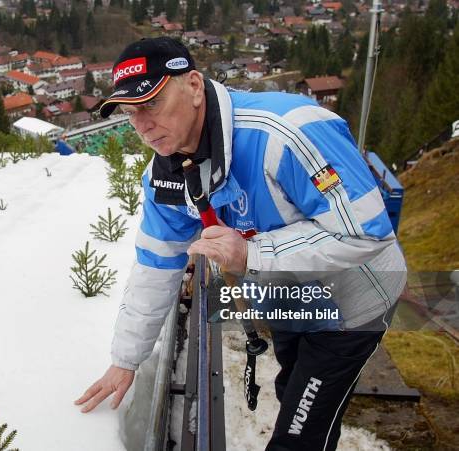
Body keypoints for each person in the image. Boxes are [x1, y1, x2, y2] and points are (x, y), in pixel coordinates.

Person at [74, 37, 407, 450]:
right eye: (130, 113)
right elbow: (155, 266)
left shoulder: (287, 133)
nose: (141, 125)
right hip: (288, 294)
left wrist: (251, 253)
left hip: (352, 303)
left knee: (301, 432)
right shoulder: (166, 174)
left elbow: (367, 229)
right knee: (294, 387)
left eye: (151, 104)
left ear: (194, 86)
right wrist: (125, 360)